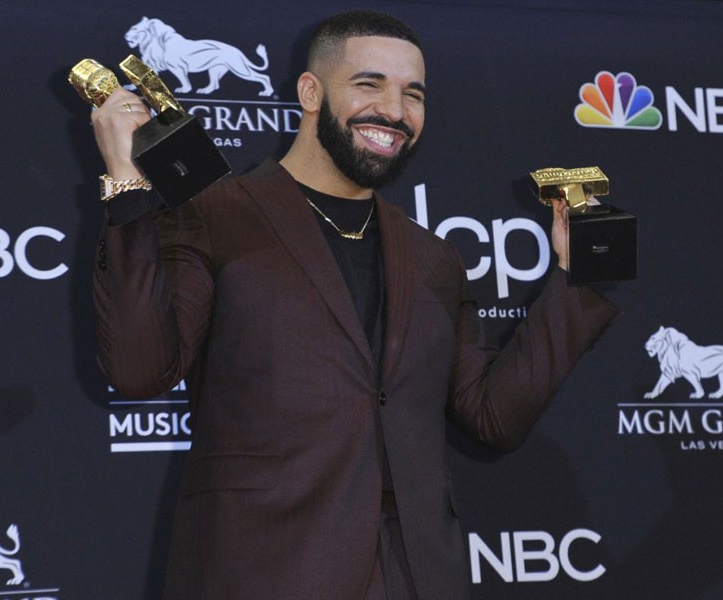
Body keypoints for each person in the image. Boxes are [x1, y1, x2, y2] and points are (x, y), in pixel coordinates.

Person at [88, 10, 619, 600]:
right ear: (310, 92)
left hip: (415, 575)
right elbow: (140, 372)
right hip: (264, 570)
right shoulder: (216, 213)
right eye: (369, 85)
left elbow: (493, 417)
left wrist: (577, 274)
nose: (394, 111)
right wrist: (127, 186)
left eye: (412, 94)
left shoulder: (435, 258)